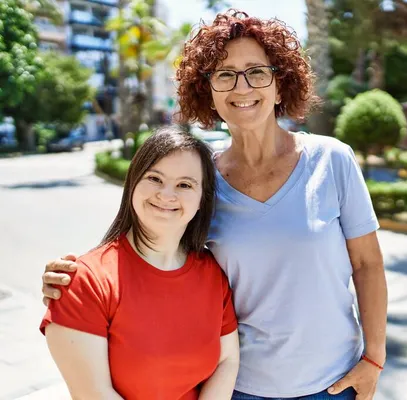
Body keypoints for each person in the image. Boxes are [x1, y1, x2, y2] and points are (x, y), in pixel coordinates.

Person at [41, 9, 388, 400]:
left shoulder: (332, 159)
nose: (242, 88)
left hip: (334, 384)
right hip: (236, 386)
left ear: (280, 83)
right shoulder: (199, 177)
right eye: (225, 75)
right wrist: (75, 279)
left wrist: (374, 359)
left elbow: (367, 263)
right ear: (207, 91)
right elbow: (148, 245)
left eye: (257, 72)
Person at [40, 127, 240, 400]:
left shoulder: (212, 274)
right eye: (155, 178)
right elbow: (93, 393)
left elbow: (227, 361)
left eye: (185, 184)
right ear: (133, 183)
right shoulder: (83, 281)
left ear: (201, 200)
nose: (167, 195)